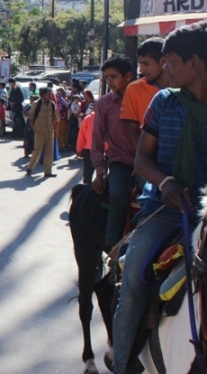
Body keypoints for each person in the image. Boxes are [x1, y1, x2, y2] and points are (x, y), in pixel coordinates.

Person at [112, 22, 207, 374]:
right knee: (135, 279)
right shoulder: (163, 103)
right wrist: (165, 182)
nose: (164, 69)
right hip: (166, 210)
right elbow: (141, 160)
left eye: (170, 61)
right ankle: (121, 365)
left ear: (195, 63)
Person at [90, 56, 135, 250]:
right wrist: (99, 171)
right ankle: (113, 245)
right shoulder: (104, 104)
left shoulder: (144, 98)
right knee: (117, 193)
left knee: (153, 198)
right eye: (107, 77)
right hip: (119, 161)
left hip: (146, 162)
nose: (110, 82)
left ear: (128, 76)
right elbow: (97, 139)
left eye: (114, 76)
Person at [121, 37, 168, 153]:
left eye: (146, 64)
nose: (141, 70)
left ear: (163, 61)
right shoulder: (134, 89)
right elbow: (132, 132)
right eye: (140, 64)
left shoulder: (182, 86)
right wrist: (145, 160)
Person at [25, 88, 58, 178]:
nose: (50, 96)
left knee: (49, 152)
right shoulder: (36, 104)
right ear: (43, 95)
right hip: (39, 132)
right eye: (48, 94)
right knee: (37, 151)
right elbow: (31, 118)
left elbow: (55, 117)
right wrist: (35, 129)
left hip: (49, 132)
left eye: (51, 94)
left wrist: (51, 124)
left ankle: (48, 172)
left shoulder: (52, 104)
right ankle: (30, 168)